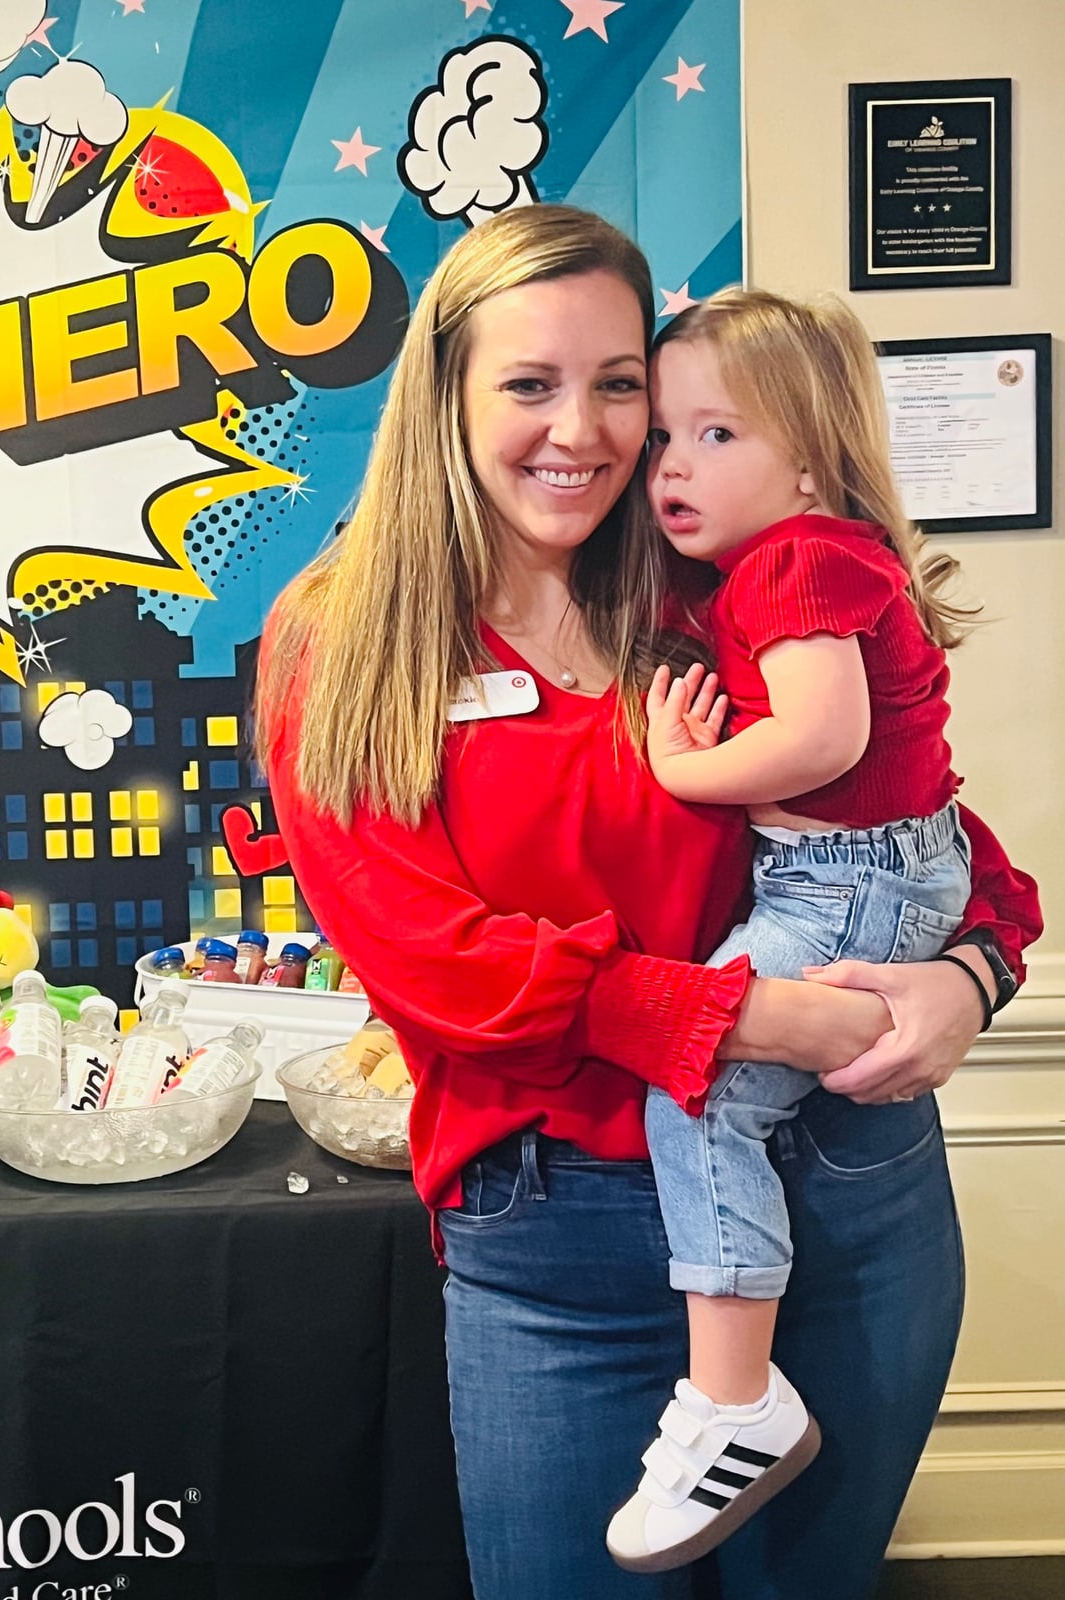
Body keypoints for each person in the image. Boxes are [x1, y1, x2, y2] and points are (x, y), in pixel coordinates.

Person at [257, 205, 1041, 1600]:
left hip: (850, 1196)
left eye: (620, 383)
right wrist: (758, 1022)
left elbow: (915, 821)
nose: (585, 431)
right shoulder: (350, 637)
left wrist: (974, 970)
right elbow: (438, 963)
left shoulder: (709, 585)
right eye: (530, 384)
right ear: (444, 392)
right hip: (559, 1239)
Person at [605, 289, 983, 1573]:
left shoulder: (800, 559)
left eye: (717, 436)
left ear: (813, 454)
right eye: (665, 437)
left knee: (696, 1084)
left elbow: (827, 738)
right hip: (861, 869)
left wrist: (678, 767)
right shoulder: (780, 563)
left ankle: (736, 1399)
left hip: (848, 880)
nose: (672, 468)